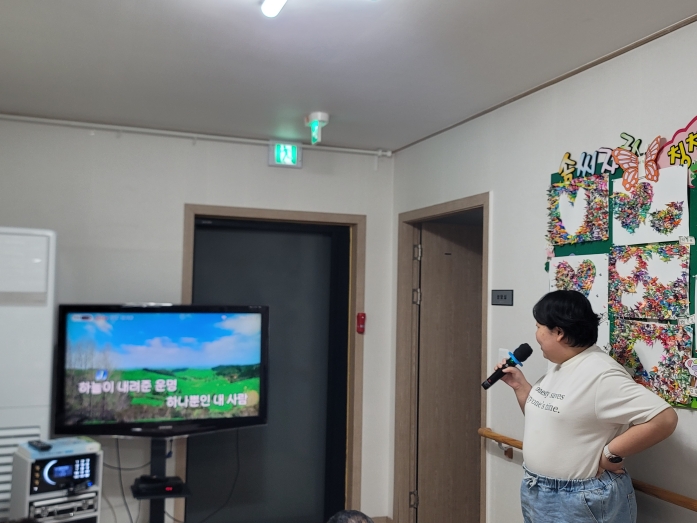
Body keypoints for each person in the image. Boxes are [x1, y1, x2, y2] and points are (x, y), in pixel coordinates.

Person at [496, 290, 678, 523]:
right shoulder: (561, 365)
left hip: (581, 499)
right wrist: (520, 386)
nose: (536, 334)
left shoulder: (601, 374)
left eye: (539, 326)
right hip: (537, 490)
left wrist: (611, 453)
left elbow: (664, 419)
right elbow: (546, 418)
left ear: (559, 332)